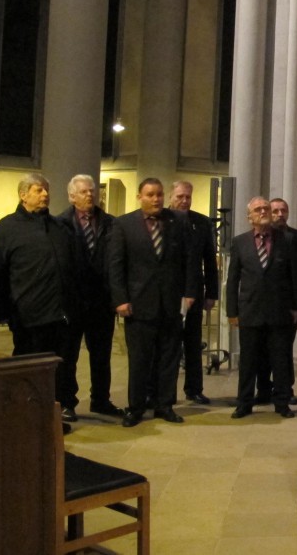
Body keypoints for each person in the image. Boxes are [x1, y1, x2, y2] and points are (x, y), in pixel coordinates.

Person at [0, 173, 80, 420]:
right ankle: (24, 409)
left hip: (61, 313)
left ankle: (62, 405)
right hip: (29, 315)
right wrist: (6, 311)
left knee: (63, 365)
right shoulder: (6, 229)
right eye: (39, 190)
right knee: (28, 367)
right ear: (23, 195)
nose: (45, 195)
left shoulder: (60, 227)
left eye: (46, 190)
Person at [109, 178, 198, 427]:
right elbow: (115, 265)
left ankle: (164, 405)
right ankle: (136, 407)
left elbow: (189, 259)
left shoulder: (177, 221)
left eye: (159, 194)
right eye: (150, 195)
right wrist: (120, 299)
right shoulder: (124, 224)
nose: (156, 199)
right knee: (139, 359)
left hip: (170, 303)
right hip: (138, 304)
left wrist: (190, 292)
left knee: (169, 357)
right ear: (140, 197)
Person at [227, 197, 297, 418]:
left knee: (280, 361)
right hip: (250, 311)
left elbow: (295, 277)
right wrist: (232, 312)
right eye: (258, 209)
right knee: (248, 361)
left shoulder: (286, 240)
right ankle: (244, 403)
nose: (263, 211)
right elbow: (233, 279)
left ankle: (282, 403)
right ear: (249, 217)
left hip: (279, 311)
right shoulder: (240, 242)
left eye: (265, 208)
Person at [55, 174, 122, 418]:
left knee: (101, 355)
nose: (90, 195)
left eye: (92, 191)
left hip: (101, 301)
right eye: (84, 192)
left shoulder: (111, 223)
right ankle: (66, 402)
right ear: (72, 196)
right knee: (68, 355)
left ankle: (101, 400)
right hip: (72, 302)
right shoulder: (60, 224)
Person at [168, 181, 219, 405]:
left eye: (188, 197)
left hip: (194, 291)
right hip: (168, 293)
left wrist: (212, 293)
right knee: (169, 344)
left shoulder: (202, 222)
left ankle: (194, 388)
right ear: (171, 196)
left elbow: (209, 260)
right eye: (180, 196)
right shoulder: (162, 220)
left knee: (193, 341)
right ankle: (165, 392)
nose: (184, 201)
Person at [262, 197, 297, 405]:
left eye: (283, 211)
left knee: (284, 350)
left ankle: (285, 389)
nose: (280, 214)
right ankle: (263, 390)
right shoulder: (260, 237)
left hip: (289, 305)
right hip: (263, 304)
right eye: (276, 211)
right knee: (262, 351)